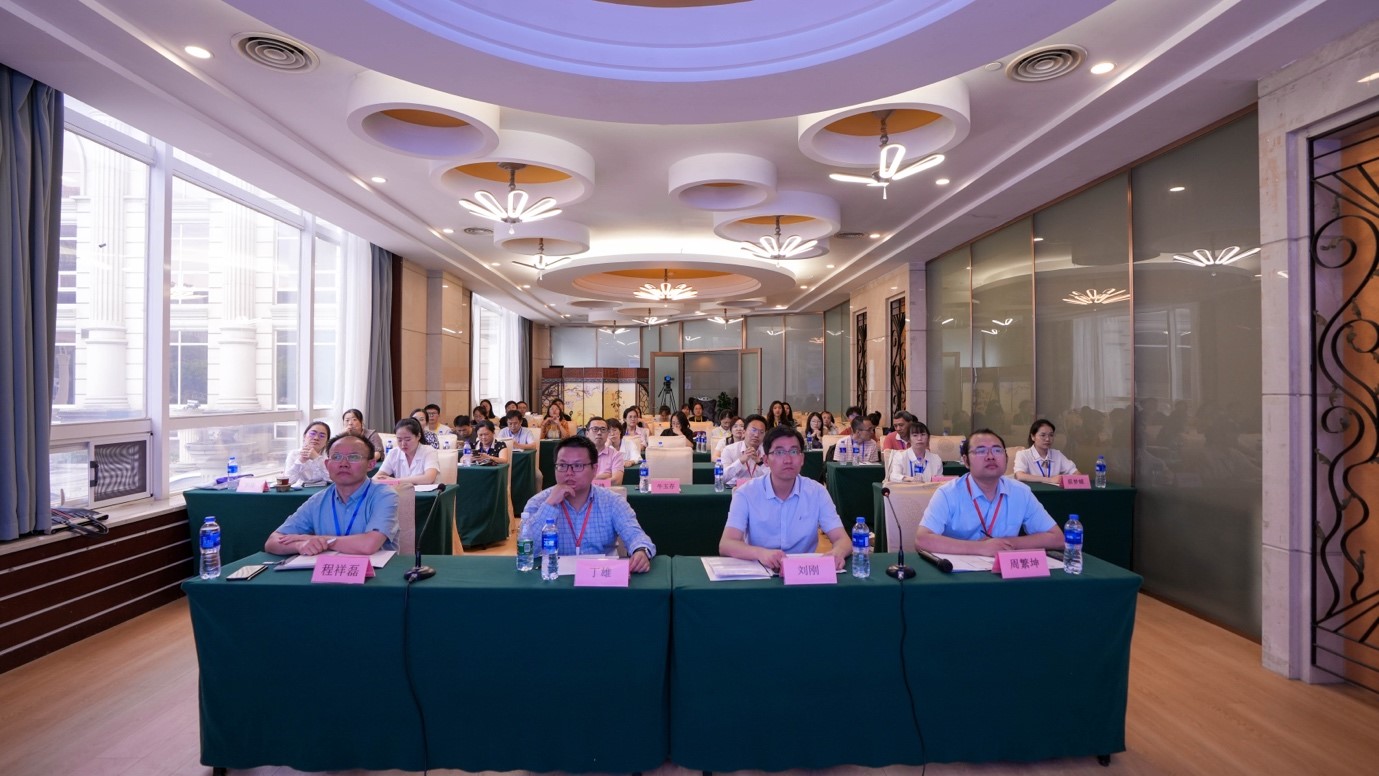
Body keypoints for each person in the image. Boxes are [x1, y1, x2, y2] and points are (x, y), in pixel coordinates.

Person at [719, 425, 851, 572]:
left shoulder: (817, 492)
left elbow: (842, 539)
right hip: (761, 571)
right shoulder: (746, 493)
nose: (788, 460)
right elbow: (726, 544)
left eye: (794, 452)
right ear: (765, 460)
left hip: (803, 574)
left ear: (802, 459)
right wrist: (761, 553)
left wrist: (837, 553)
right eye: (779, 452)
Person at [914, 429, 1064, 557]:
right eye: (981, 451)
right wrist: (981, 548)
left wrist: (1005, 544)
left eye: (997, 450)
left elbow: (1057, 538)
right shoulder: (948, 493)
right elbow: (922, 540)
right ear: (965, 461)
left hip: (1006, 572)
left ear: (1006, 458)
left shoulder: (1021, 492)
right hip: (959, 573)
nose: (991, 456)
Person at [519, 436, 656, 571]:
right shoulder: (538, 502)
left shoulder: (612, 502)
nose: (569, 472)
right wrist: (550, 505)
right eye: (562, 465)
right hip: (554, 577)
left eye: (578, 466)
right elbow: (527, 549)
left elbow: (636, 536)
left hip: (600, 577)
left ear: (594, 469)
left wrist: (641, 551)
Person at [265, 433, 399, 556]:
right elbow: (272, 542)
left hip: (376, 572)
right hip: (327, 571)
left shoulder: (384, 495)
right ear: (327, 464)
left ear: (371, 464)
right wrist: (299, 545)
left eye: (353, 457)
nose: (343, 464)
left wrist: (318, 540)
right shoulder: (317, 501)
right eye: (336, 457)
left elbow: (368, 545)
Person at [375, 417, 440, 485]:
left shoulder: (429, 451)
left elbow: (429, 478)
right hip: (402, 491)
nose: (403, 444)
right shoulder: (394, 453)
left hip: (428, 491)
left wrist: (395, 481)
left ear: (418, 436)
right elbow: (376, 478)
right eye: (399, 440)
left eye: (408, 439)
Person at [1014, 419, 1080, 484]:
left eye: (1051, 435)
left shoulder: (1057, 454)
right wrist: (1050, 480)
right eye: (1043, 435)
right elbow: (1020, 476)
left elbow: (1076, 473)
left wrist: (1065, 478)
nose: (1047, 439)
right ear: (1033, 437)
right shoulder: (1023, 454)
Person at [720, 414, 769, 485]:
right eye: (753, 430)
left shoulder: (768, 451)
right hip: (735, 489)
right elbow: (722, 478)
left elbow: (775, 478)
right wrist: (740, 461)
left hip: (760, 489)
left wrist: (760, 462)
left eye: (761, 432)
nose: (756, 435)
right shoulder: (729, 450)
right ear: (744, 432)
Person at [283, 421, 331, 485]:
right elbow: (288, 481)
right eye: (312, 434)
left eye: (322, 436)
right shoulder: (294, 454)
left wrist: (317, 458)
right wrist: (300, 461)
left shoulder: (330, 456)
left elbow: (332, 480)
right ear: (304, 436)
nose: (316, 438)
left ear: (326, 442)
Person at [585, 416, 625, 485]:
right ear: (587, 434)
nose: (599, 432)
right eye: (595, 429)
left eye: (603, 429)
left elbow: (616, 482)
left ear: (607, 434)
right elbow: (575, 480)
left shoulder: (616, 455)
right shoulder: (578, 455)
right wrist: (606, 476)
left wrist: (589, 482)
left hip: (607, 492)